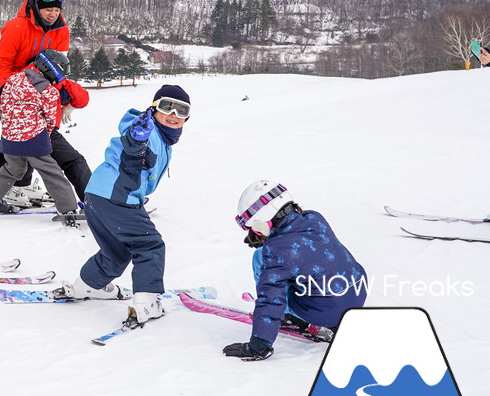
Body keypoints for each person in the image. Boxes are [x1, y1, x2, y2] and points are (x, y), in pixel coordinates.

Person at [58, 85, 191, 324]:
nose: (173, 115)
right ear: (154, 107)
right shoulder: (145, 129)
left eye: (181, 110)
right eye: (166, 107)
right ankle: (146, 302)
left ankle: (87, 286)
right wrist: (137, 138)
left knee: (116, 252)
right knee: (149, 245)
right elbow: (134, 145)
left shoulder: (160, 135)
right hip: (117, 198)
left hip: (98, 195)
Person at [224, 181, 368, 361]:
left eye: (251, 227)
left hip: (324, 311)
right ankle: (333, 318)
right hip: (356, 292)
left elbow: (271, 298)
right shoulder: (314, 218)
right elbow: (309, 254)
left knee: (259, 258)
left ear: (261, 223)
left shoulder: (276, 250)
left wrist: (259, 345)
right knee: (304, 269)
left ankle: (291, 317)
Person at [0, 49, 89, 216]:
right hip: (34, 136)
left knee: (13, 168)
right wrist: (44, 136)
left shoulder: (12, 80)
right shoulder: (48, 91)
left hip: (9, 136)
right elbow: (50, 120)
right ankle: (68, 209)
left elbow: (1, 99)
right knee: (51, 172)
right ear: (51, 69)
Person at [0, 0, 70, 105]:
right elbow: (3, 62)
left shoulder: (62, 31)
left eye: (57, 10)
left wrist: (62, 100)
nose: (53, 14)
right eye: (48, 10)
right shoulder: (16, 27)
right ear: (38, 8)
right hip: (15, 87)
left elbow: (59, 68)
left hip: (44, 90)